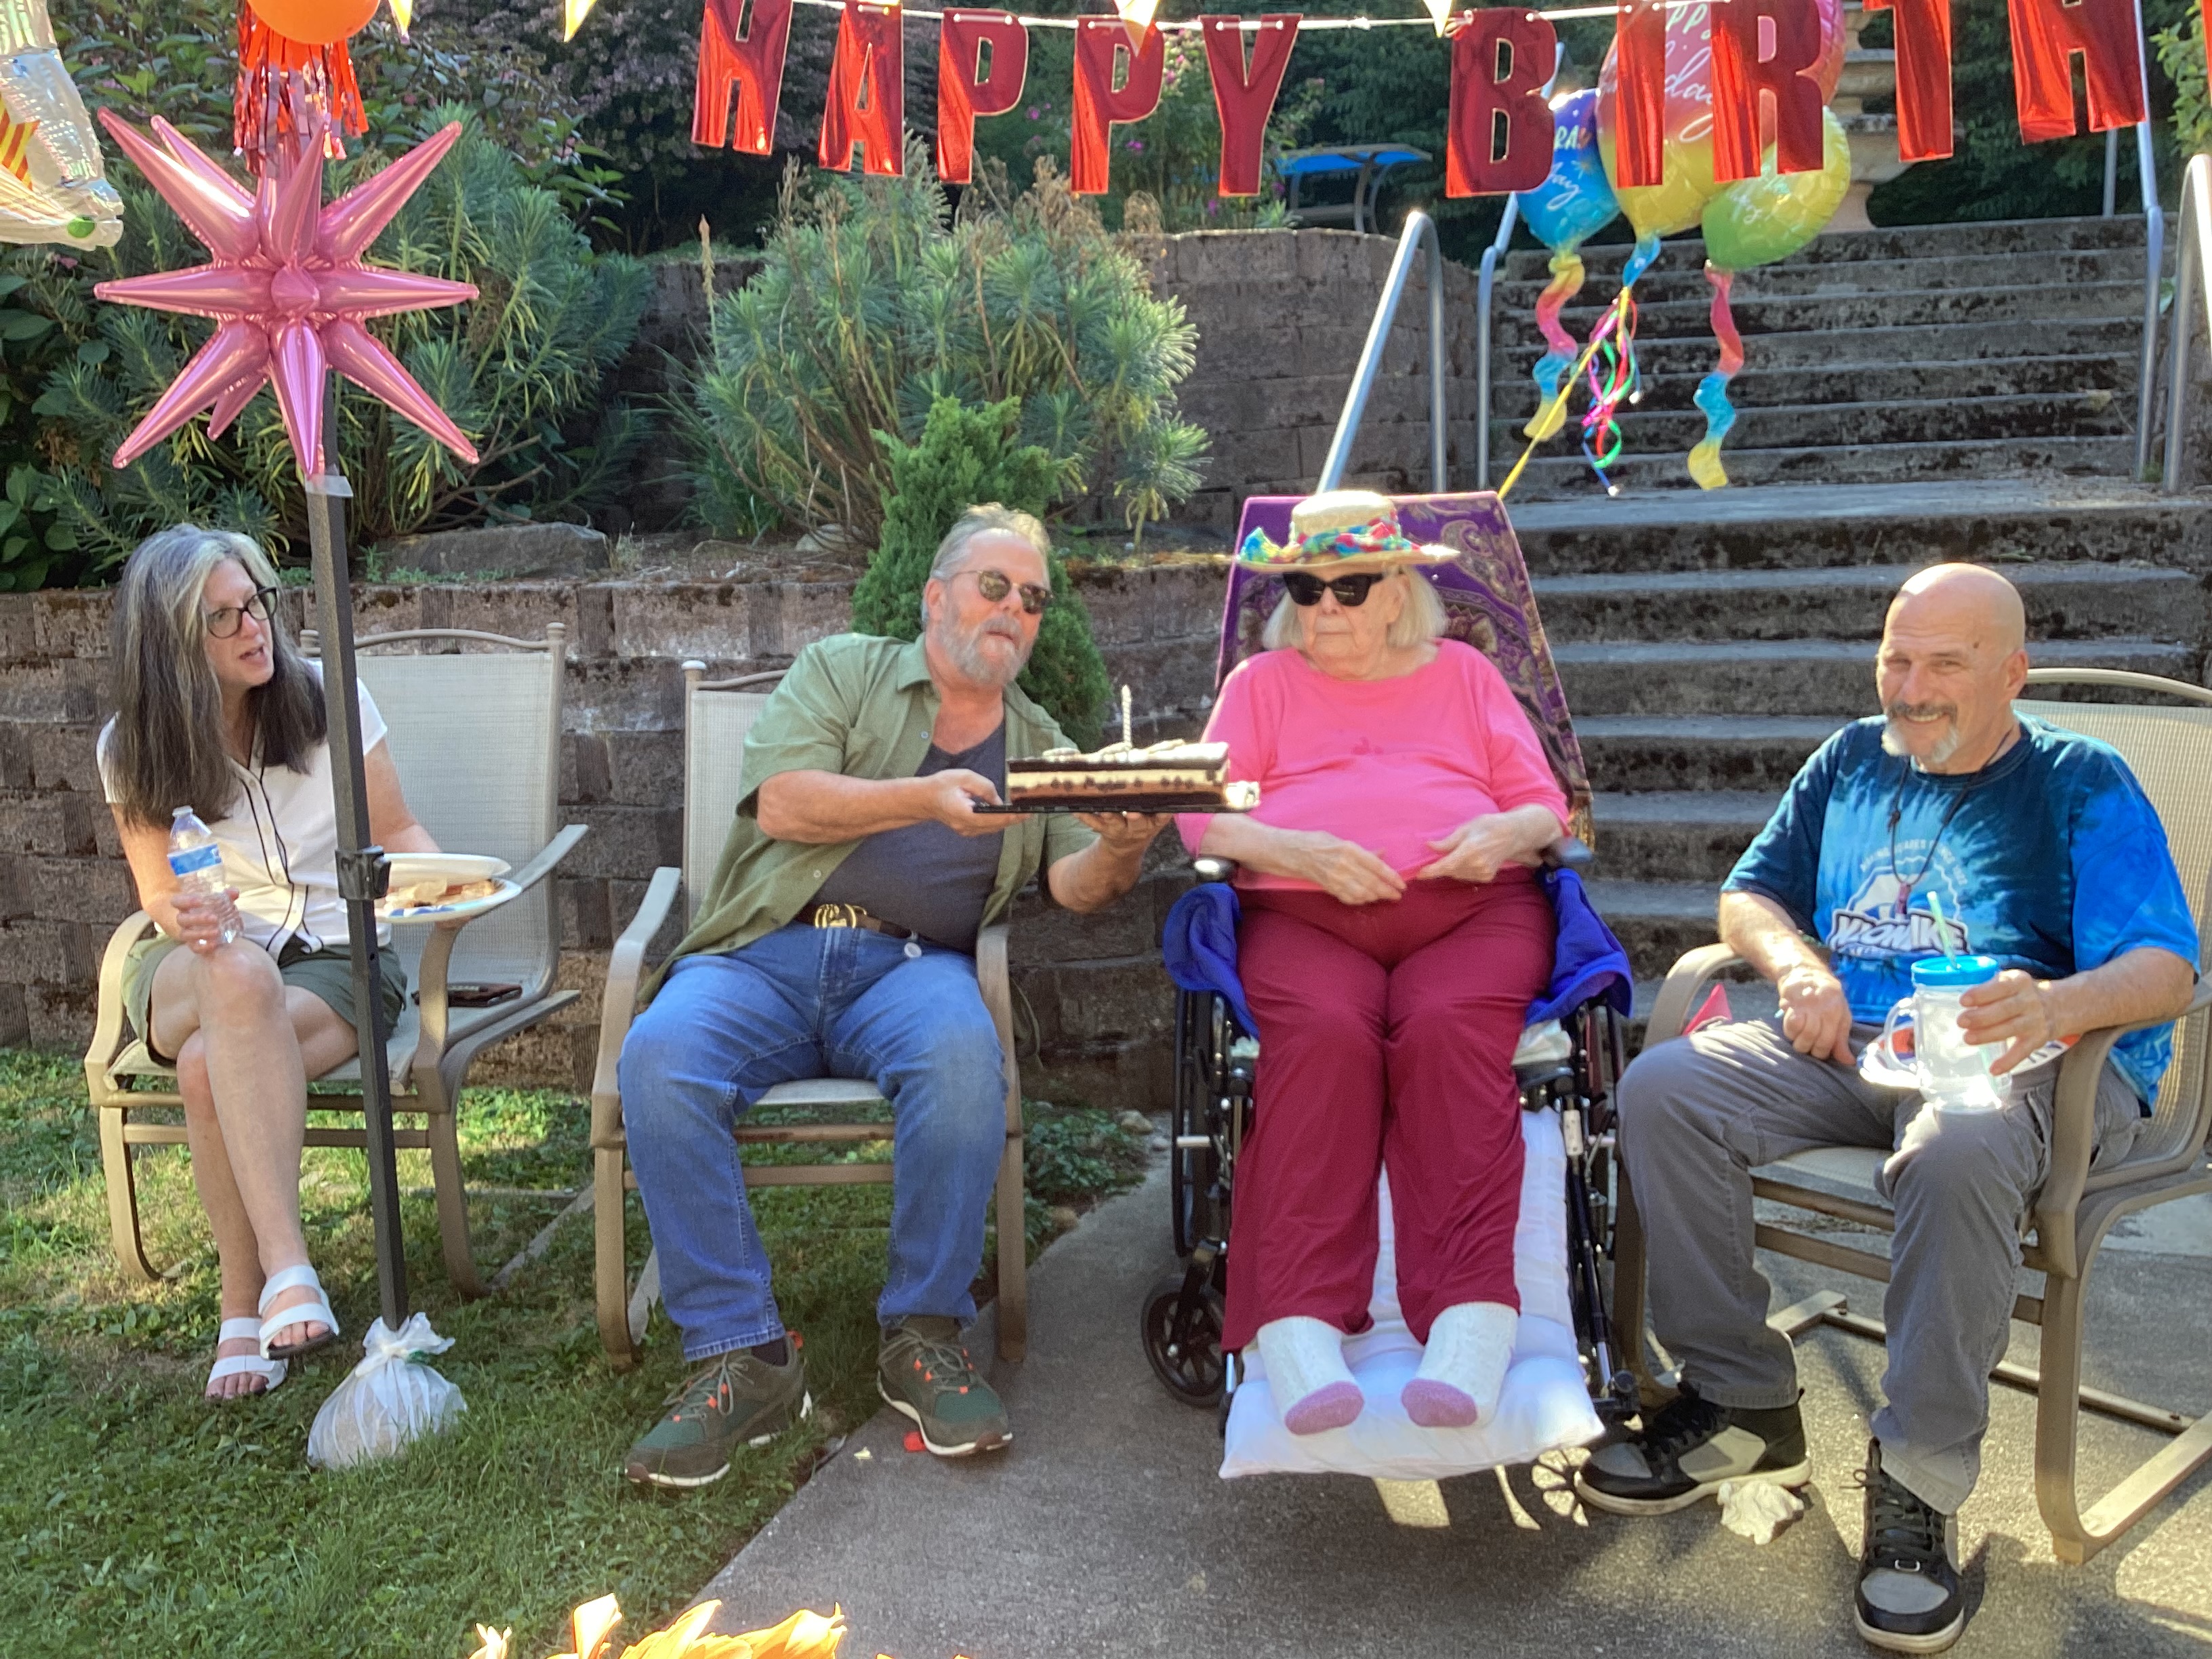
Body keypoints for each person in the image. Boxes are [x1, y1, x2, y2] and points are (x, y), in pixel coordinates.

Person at [1578, 565, 2198, 1653]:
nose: (1909, 688)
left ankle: (1917, 1481)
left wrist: (2055, 1000)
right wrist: (1797, 966)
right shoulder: (1852, 758)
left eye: (1942, 664)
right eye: (1895, 658)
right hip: (1848, 1044)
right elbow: (1750, 894)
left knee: (1956, 1151)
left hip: (2025, 1060)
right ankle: (1743, 1405)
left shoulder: (2079, 781)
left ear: (2012, 672)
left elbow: (2165, 967)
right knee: (1665, 1086)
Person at [617, 504, 1167, 1488]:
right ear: (936, 597)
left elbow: (1074, 886)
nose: (1013, 609)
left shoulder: (1040, 741)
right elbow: (783, 797)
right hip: (764, 955)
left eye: (1032, 600)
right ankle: (741, 1351)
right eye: (993, 586)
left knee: (964, 1062)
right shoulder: (845, 670)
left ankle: (923, 1335)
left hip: (915, 974)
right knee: (659, 1057)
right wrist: (925, 796)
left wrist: (1121, 846)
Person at [1176, 490, 1572, 1435]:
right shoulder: (1262, 685)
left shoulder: (1468, 677)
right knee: (1318, 1040)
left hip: (1469, 910)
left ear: (1398, 590)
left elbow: (1546, 809)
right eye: (1307, 587)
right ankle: (1299, 1331)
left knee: (1445, 1033)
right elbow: (1200, 815)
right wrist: (1298, 852)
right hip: (1307, 914)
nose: (1324, 609)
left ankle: (1473, 1329)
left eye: (1349, 588)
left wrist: (1496, 833)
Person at [99, 525, 441, 1402]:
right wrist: (193, 912)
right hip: (191, 966)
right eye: (224, 618)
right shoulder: (133, 745)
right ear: (172, 642)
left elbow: (398, 834)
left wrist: (441, 888)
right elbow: (157, 899)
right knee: (236, 971)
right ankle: (290, 1263)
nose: (255, 627)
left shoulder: (331, 702)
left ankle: (240, 1308)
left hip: (335, 960)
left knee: (216, 1061)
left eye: (257, 602)